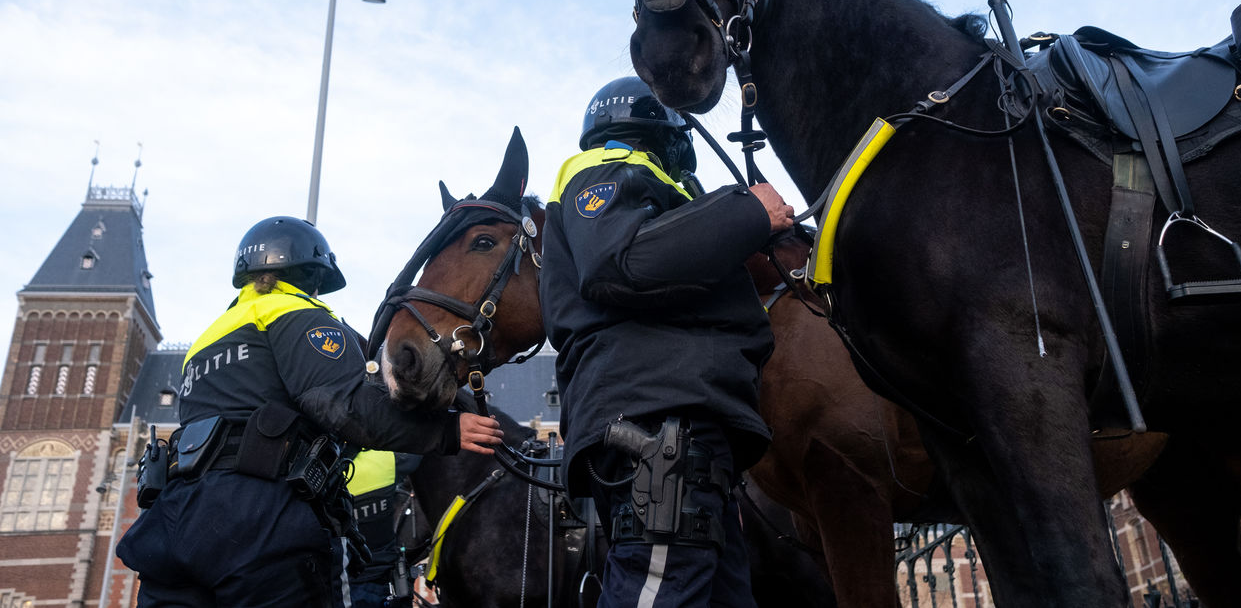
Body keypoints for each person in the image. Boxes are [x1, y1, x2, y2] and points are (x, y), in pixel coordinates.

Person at [117, 216, 502, 607]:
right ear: (308, 274)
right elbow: (344, 407)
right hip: (258, 521)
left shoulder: (209, 338)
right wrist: (446, 432)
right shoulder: (297, 313)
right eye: (317, 283)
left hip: (173, 520)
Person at [540, 76, 793, 607]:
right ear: (667, 134)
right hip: (660, 427)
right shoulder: (603, 167)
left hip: (684, 431)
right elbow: (621, 263)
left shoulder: (657, 191)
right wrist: (747, 213)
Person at [344, 449, 421, 608]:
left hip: (339, 587)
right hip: (385, 586)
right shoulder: (387, 459)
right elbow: (419, 446)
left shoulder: (318, 473)